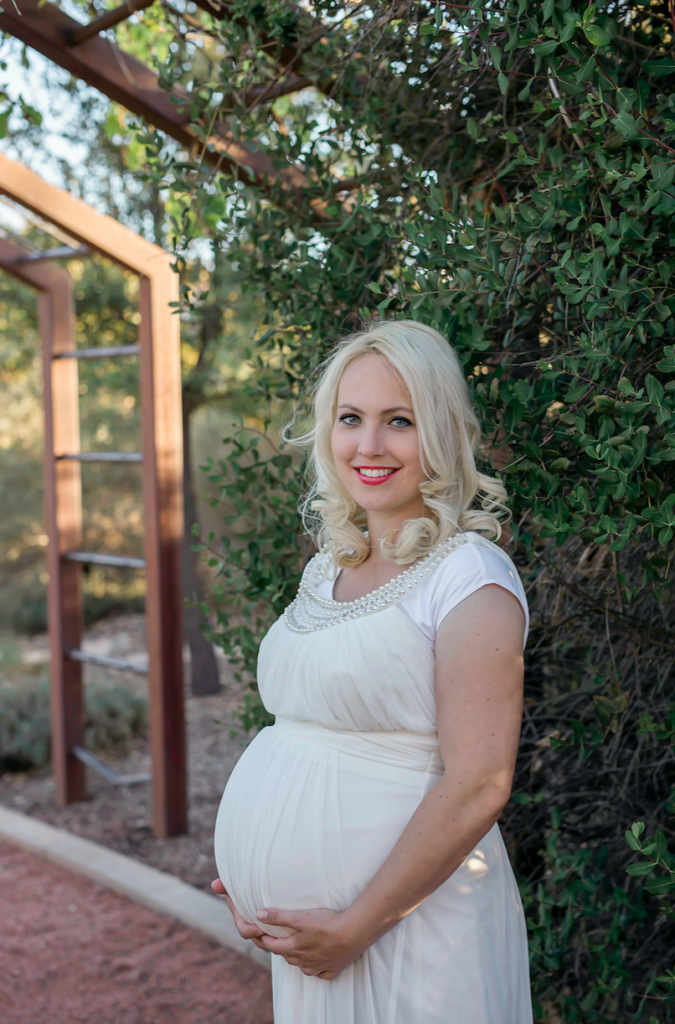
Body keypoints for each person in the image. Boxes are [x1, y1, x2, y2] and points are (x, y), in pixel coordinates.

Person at [212, 319, 533, 1023]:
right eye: (349, 418)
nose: (367, 445)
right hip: (318, 943)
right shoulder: (331, 564)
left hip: (411, 934)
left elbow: (478, 782)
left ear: (441, 433)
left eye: (398, 421)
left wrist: (356, 924)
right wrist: (254, 871)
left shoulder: (469, 578)